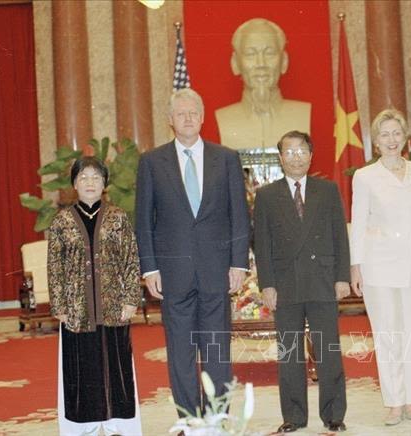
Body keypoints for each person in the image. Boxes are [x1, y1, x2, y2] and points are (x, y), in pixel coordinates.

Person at [135, 88, 250, 417]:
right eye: (181, 113)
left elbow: (239, 215)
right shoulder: (152, 162)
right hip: (173, 274)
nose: (187, 118)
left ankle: (218, 418)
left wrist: (239, 263)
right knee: (180, 352)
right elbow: (144, 220)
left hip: (217, 270)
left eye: (193, 112)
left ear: (202, 117)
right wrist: (150, 269)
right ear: (170, 120)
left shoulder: (225, 158)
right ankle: (189, 420)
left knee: (216, 350)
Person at [253, 131, 350, 433]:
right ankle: (294, 417)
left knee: (328, 351)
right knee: (290, 354)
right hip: (285, 284)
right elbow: (262, 245)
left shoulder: (328, 190)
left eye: (301, 151)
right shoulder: (267, 196)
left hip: (323, 280)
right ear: (280, 158)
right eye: (289, 152)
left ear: (311, 155)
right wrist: (267, 284)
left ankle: (334, 414)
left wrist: (342, 277)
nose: (296, 157)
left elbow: (339, 236)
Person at [349, 109, 411, 426]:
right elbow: (358, 223)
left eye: (396, 133)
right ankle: (394, 402)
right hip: (379, 265)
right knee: (386, 334)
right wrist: (356, 266)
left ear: (405, 136)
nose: (391, 140)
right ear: (376, 141)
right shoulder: (365, 176)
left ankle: (410, 400)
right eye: (384, 134)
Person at [48, 157, 142, 436]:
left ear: (104, 183)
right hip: (76, 308)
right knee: (81, 367)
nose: (90, 183)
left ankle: (117, 425)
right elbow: (55, 266)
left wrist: (130, 299)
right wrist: (59, 304)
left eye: (96, 177)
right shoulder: (62, 220)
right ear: (75, 183)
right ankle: (85, 425)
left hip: (114, 306)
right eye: (84, 177)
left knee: (117, 366)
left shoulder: (118, 217)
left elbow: (131, 259)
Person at [215, 18, 311, 150]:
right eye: (250, 54)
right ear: (235, 63)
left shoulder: (302, 114)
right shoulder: (224, 118)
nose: (261, 64)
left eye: (269, 53)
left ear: (284, 61)